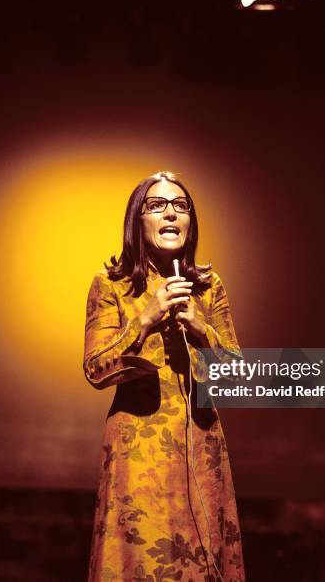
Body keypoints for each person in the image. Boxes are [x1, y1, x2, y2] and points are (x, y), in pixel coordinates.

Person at [83, 171, 245, 581]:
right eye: (157, 205)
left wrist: (200, 329)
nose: (171, 213)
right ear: (137, 220)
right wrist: (145, 318)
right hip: (139, 452)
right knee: (140, 555)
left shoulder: (208, 288)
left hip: (202, 448)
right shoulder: (112, 285)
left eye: (180, 205)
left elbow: (240, 377)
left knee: (205, 558)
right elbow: (96, 369)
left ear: (191, 223)